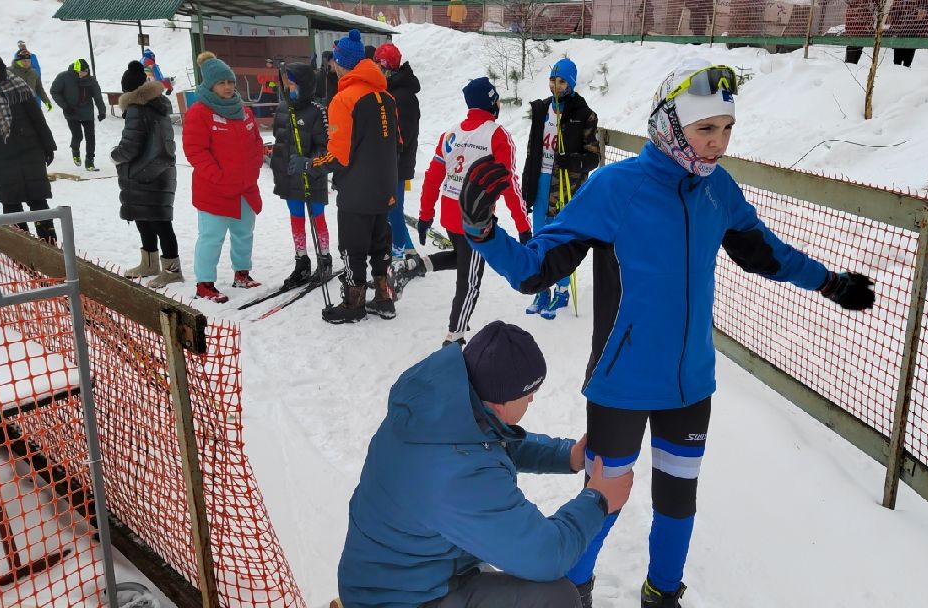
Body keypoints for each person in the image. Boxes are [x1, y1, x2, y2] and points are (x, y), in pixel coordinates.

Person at [456, 59, 877, 607]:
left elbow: (766, 254)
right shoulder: (615, 187)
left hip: (690, 386)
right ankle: (570, 591)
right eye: (706, 129)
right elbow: (537, 267)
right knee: (602, 499)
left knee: (679, 502)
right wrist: (482, 231)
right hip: (621, 385)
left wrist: (830, 283)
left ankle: (662, 594)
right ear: (671, 124)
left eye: (727, 128)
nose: (719, 143)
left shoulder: (717, 190)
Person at [336, 320, 634, 608]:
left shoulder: (438, 412)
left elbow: (491, 443)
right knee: (556, 598)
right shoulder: (457, 475)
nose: (532, 399)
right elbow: (546, 555)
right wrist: (598, 501)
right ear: (500, 402)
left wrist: (565, 455)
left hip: (394, 576)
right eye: (529, 392)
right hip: (402, 599)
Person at [395, 77, 532, 346]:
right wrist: (523, 226)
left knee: (462, 259)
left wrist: (426, 215)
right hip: (476, 218)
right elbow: (509, 183)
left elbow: (433, 176)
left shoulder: (451, 134)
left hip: (450, 212)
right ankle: (454, 337)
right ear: (492, 104)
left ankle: (417, 265)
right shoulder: (497, 134)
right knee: (470, 281)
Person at [287, 29, 400, 324]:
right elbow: (398, 144)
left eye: (335, 62)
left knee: (352, 247)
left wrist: (308, 164)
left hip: (357, 191)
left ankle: (353, 304)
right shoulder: (385, 96)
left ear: (340, 63)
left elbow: (338, 156)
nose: (332, 67)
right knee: (380, 243)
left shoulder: (344, 99)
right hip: (385, 187)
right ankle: (384, 299)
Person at [182, 52, 266, 303]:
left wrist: (254, 169)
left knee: (244, 233)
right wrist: (218, 177)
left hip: (245, 187)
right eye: (221, 83)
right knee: (212, 237)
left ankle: (242, 273)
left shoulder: (244, 111)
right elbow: (195, 151)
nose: (228, 87)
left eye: (230, 82)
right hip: (214, 190)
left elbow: (256, 143)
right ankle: (205, 284)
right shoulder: (199, 112)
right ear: (210, 85)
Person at [520, 58, 599, 319]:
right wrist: (527, 183)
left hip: (565, 185)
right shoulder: (542, 109)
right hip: (541, 182)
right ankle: (542, 289)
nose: (556, 85)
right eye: (553, 80)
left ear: (572, 82)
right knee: (539, 238)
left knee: (560, 241)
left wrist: (572, 161)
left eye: (562, 80)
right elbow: (533, 150)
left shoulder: (582, 113)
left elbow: (593, 158)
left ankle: (562, 290)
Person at [111, 61, 181, 289]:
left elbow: (130, 146)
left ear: (128, 91)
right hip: (158, 171)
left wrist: (115, 155)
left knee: (159, 223)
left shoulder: (137, 109)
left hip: (145, 173)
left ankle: (172, 271)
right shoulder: (157, 105)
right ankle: (149, 264)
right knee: (147, 218)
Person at [270, 62, 332, 288]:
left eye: (293, 81)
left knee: (317, 217)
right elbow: (280, 140)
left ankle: (324, 258)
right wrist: (278, 163)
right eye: (286, 81)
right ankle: (301, 261)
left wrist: (308, 163)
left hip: (311, 174)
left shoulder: (318, 110)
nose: (289, 85)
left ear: (304, 84)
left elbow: (325, 146)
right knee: (296, 217)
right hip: (289, 176)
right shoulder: (283, 107)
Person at [0, 48, 57, 243]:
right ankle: (24, 256)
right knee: (11, 204)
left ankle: (50, 247)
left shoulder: (17, 85)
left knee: (38, 200)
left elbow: (37, 118)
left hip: (29, 151)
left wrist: (48, 145)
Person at [373, 42, 421, 261]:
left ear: (386, 67)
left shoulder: (404, 96)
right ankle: (407, 250)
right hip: (388, 162)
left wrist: (386, 157)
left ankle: (399, 257)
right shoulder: (390, 91)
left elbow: (403, 135)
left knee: (393, 211)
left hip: (397, 164)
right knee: (391, 211)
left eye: (377, 65)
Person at [50, 58, 106, 171]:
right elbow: (54, 92)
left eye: (86, 72)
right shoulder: (64, 77)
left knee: (91, 137)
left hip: (87, 111)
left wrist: (102, 111)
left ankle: (89, 161)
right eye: (81, 72)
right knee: (78, 135)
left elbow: (98, 97)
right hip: (71, 111)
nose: (83, 75)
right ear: (75, 71)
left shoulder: (91, 80)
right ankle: (75, 150)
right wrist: (65, 106)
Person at [887, 0, 928, 67]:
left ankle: (904, 69)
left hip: (913, 31)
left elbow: (925, 14)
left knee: (906, 62)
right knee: (897, 62)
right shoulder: (899, 5)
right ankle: (898, 70)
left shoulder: (922, 4)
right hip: (900, 31)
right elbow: (892, 13)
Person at [844, 0, 876, 64]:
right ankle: (850, 64)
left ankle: (851, 64)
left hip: (859, 27)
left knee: (856, 46)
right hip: (858, 25)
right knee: (854, 46)